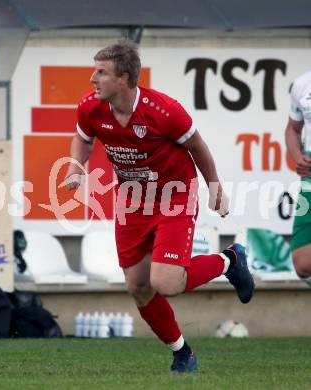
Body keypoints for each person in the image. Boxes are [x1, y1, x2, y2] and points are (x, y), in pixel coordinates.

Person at [65, 39, 254, 372]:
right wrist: (75, 169)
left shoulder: (164, 110)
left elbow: (198, 146)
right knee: (138, 286)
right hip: (132, 200)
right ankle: (182, 352)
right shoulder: (91, 107)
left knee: (166, 283)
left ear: (124, 78)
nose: (93, 79)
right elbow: (83, 136)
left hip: (174, 196)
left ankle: (230, 260)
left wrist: (214, 188)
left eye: (101, 72)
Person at [285, 70, 311, 286]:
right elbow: (293, 129)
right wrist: (297, 156)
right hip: (310, 177)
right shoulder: (302, 83)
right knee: (302, 263)